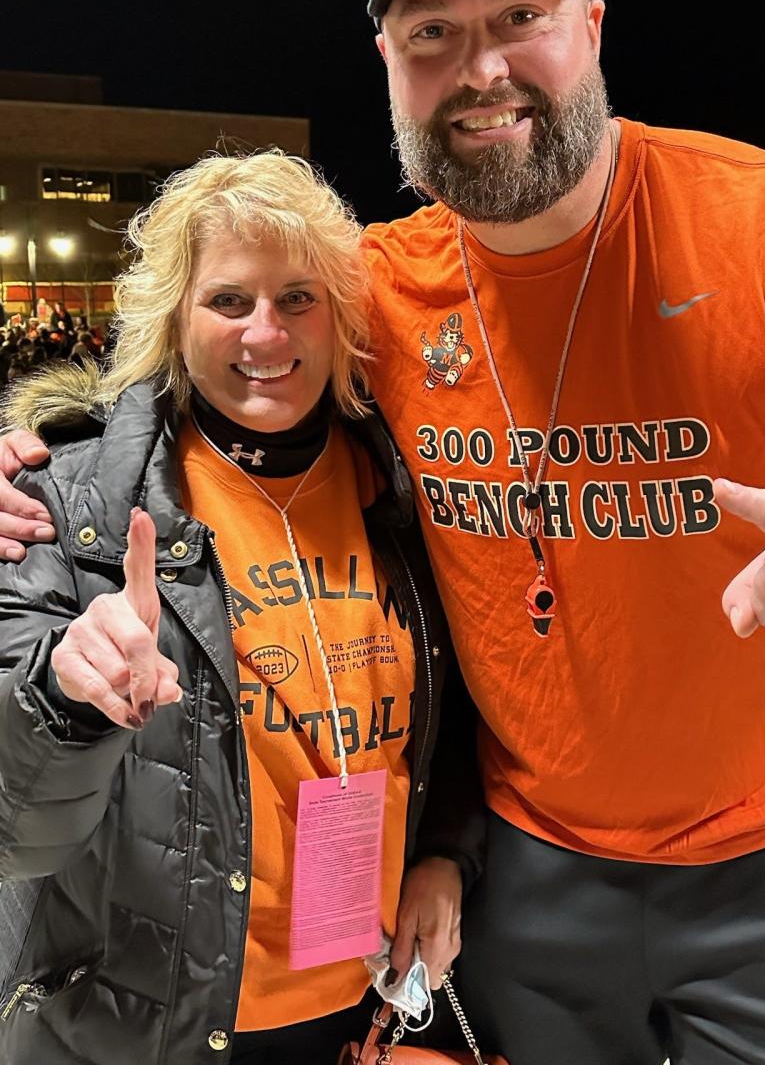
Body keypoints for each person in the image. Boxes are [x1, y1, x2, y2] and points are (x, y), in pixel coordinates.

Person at [4, 0, 765, 1064]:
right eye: (431, 32)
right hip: (528, 872)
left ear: (594, 23)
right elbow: (203, 380)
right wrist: (32, 463)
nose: (482, 68)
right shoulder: (373, 296)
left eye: (521, 13)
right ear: (389, 64)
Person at [0, 152, 479, 1065]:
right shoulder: (66, 506)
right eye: (229, 301)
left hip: (363, 1006)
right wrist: (64, 697)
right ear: (173, 318)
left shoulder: (407, 490)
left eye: (299, 297)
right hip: (156, 1026)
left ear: (342, 317)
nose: (267, 333)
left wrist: (449, 853)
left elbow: (464, 713)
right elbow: (14, 832)